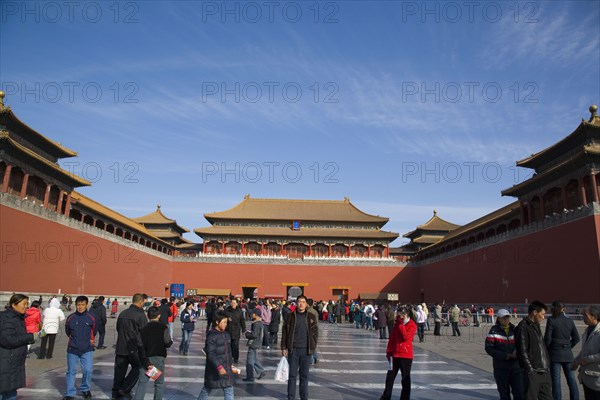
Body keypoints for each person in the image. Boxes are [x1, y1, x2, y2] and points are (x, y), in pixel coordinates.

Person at [281, 295, 319, 400]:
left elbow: (315, 332)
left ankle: (304, 397)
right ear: (296, 303)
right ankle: (291, 397)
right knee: (292, 376)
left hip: (306, 350)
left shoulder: (311, 316)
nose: (301, 304)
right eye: (299, 301)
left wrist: (313, 345)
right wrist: (284, 347)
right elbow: (285, 332)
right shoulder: (290, 316)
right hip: (293, 350)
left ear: (306, 304)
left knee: (304, 377)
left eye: (303, 302)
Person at [112, 293, 148, 400]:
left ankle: (115, 393)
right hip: (134, 348)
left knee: (119, 371)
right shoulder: (141, 315)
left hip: (121, 346)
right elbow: (144, 333)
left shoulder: (123, 313)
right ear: (141, 302)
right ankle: (125, 388)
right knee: (138, 368)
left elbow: (118, 328)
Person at [0, 294, 35, 400]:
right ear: (14, 304)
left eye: (27, 304)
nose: (26, 306)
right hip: (7, 362)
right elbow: (8, 340)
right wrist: (30, 336)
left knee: (10, 390)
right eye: (24, 304)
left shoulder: (17, 317)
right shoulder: (8, 318)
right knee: (6, 391)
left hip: (13, 362)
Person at [133, 306, 173, 400]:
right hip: (158, 358)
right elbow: (167, 342)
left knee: (142, 383)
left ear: (148, 316)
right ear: (159, 316)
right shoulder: (163, 327)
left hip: (145, 359)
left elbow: (139, 344)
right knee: (159, 383)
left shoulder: (143, 329)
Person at [515, 300, 552, 400]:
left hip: (544, 372)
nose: (544, 317)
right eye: (542, 314)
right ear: (535, 312)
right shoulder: (523, 327)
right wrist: (530, 370)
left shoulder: (536, 326)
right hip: (533, 373)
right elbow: (522, 351)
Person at [485, 309, 524, 400]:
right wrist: (505, 355)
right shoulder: (494, 331)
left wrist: (517, 352)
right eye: (503, 318)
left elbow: (521, 344)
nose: (506, 320)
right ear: (498, 319)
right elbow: (489, 348)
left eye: (507, 318)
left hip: (516, 367)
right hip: (501, 368)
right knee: (504, 394)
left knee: (519, 393)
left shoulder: (515, 330)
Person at [197, 311, 237, 400]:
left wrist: (231, 364)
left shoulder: (226, 335)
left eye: (226, 322)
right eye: (223, 322)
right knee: (207, 389)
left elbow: (229, 352)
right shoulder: (212, 336)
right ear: (217, 322)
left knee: (229, 388)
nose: (225, 324)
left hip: (226, 368)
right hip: (214, 368)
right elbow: (211, 354)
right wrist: (219, 366)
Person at [545, 300, 580, 400]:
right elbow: (576, 338)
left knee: (556, 381)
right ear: (563, 309)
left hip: (555, 354)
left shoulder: (551, 320)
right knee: (571, 380)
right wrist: (568, 346)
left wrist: (548, 350)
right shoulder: (570, 320)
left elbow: (548, 339)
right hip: (567, 354)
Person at [380, 306, 417, 400]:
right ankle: (386, 396)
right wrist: (388, 352)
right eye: (399, 314)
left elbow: (405, 337)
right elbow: (392, 339)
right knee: (389, 377)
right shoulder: (397, 324)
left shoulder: (412, 325)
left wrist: (400, 325)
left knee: (405, 379)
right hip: (394, 355)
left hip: (405, 356)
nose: (400, 316)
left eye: (402, 314)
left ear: (407, 314)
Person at [63, 296, 96, 400]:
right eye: (78, 305)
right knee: (71, 371)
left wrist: (89, 340)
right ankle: (69, 393)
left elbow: (94, 331)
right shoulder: (70, 318)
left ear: (87, 305)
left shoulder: (91, 317)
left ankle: (85, 389)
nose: (80, 307)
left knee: (87, 370)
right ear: (75, 305)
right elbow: (68, 331)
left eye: (82, 305)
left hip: (87, 349)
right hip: (73, 349)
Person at [573, 305, 600, 399]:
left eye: (585, 315)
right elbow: (584, 350)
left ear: (594, 316)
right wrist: (576, 360)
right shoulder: (587, 331)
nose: (583, 317)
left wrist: (588, 359)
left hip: (597, 379)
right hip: (587, 377)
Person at [244, 308, 266, 382]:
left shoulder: (256, 324)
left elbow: (254, 335)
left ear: (256, 315)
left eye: (252, 313)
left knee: (249, 360)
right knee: (254, 359)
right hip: (256, 343)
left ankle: (250, 377)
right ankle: (261, 371)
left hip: (253, 343)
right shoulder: (258, 323)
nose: (251, 314)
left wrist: (247, 334)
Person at [225, 298, 246, 364]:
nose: (233, 304)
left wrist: (243, 329)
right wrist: (227, 319)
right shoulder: (227, 310)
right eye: (232, 302)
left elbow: (242, 321)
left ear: (237, 304)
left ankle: (236, 358)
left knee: (236, 346)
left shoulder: (239, 311)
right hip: (228, 330)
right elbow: (222, 318)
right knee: (228, 345)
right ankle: (229, 358)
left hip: (236, 331)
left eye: (234, 303)